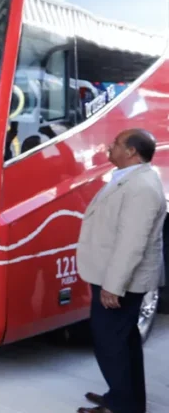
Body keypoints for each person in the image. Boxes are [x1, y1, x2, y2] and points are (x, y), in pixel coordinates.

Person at [77, 129, 167, 413]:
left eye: (116, 143)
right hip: (112, 275)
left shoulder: (141, 187)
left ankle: (122, 406)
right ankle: (126, 399)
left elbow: (132, 243)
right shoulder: (131, 178)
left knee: (111, 343)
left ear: (131, 152)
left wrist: (113, 286)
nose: (109, 146)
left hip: (121, 282)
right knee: (123, 341)